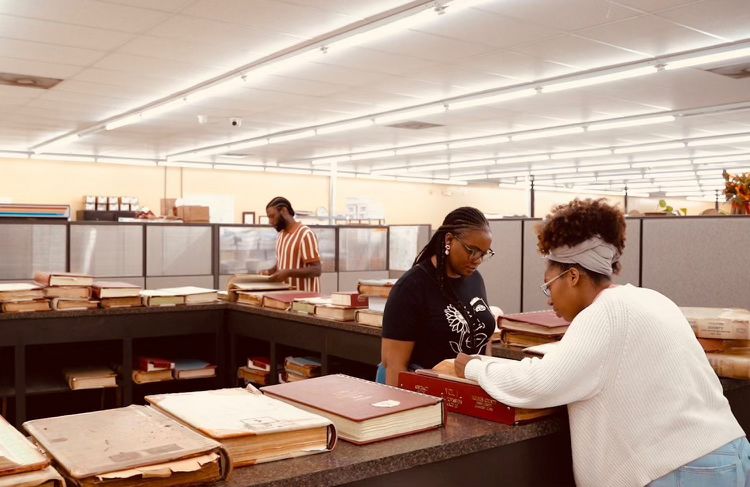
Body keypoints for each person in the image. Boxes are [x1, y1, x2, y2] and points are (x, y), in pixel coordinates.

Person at [455, 198, 748, 487]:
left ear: (571, 276)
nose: (548, 297)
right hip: (730, 454)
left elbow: (541, 383)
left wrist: (475, 367)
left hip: (683, 471)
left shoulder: (604, 312)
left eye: (549, 284)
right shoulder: (651, 298)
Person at [379, 207, 496, 386]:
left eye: (484, 253)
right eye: (471, 250)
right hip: (427, 395)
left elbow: (482, 336)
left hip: (471, 392)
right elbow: (394, 366)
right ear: (449, 240)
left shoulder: (475, 279)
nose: (477, 260)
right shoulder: (412, 286)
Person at [232, 197, 321, 292]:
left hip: (304, 300)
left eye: (272, 216)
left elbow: (316, 269)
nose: (270, 222)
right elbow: (282, 264)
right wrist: (271, 271)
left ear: (284, 211)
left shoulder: (305, 234)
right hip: (286, 297)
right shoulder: (281, 235)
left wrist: (288, 273)